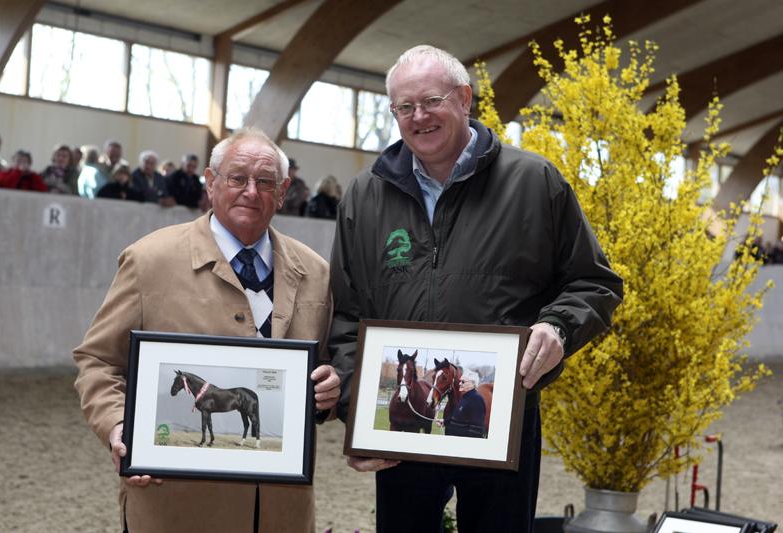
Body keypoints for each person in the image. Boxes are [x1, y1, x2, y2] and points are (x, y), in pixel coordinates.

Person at [328, 45, 624, 532]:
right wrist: (354, 412)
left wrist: (558, 327)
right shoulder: (365, 195)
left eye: (431, 101)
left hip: (502, 414)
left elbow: (595, 282)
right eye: (404, 107)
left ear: (464, 98)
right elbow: (347, 311)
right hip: (405, 431)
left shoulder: (534, 181)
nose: (418, 116)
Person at [73, 127, 340, 533]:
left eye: (265, 181)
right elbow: (98, 361)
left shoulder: (316, 273)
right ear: (212, 183)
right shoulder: (149, 261)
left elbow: (325, 368)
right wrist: (117, 425)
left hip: (279, 513)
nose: (251, 191)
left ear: (283, 191)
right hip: (175, 509)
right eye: (237, 178)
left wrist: (329, 388)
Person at [438, 370, 486, 438]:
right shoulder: (464, 398)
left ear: (472, 384)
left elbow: (476, 431)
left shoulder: (476, 400)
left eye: (463, 382)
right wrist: (445, 422)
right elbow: (458, 418)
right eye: (460, 381)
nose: (460, 383)